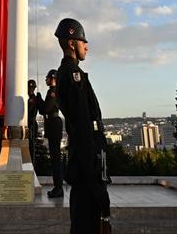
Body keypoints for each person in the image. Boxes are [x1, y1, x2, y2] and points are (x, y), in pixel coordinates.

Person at [54, 18, 110, 233]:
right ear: (71, 43)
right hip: (87, 156)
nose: (86, 45)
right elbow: (82, 123)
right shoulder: (71, 74)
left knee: (87, 217)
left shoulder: (71, 73)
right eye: (82, 40)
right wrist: (93, 165)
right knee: (87, 219)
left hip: (88, 154)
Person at [42, 69, 64, 198]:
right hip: (54, 123)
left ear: (53, 78)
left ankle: (58, 187)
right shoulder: (54, 91)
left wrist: (39, 100)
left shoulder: (52, 92)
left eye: (48, 78)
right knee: (55, 157)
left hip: (54, 124)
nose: (46, 80)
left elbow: (46, 108)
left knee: (55, 158)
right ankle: (58, 187)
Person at [27, 78, 41, 159]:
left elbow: (30, 113)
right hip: (30, 124)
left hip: (31, 124)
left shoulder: (33, 99)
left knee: (31, 147)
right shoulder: (31, 98)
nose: (30, 90)